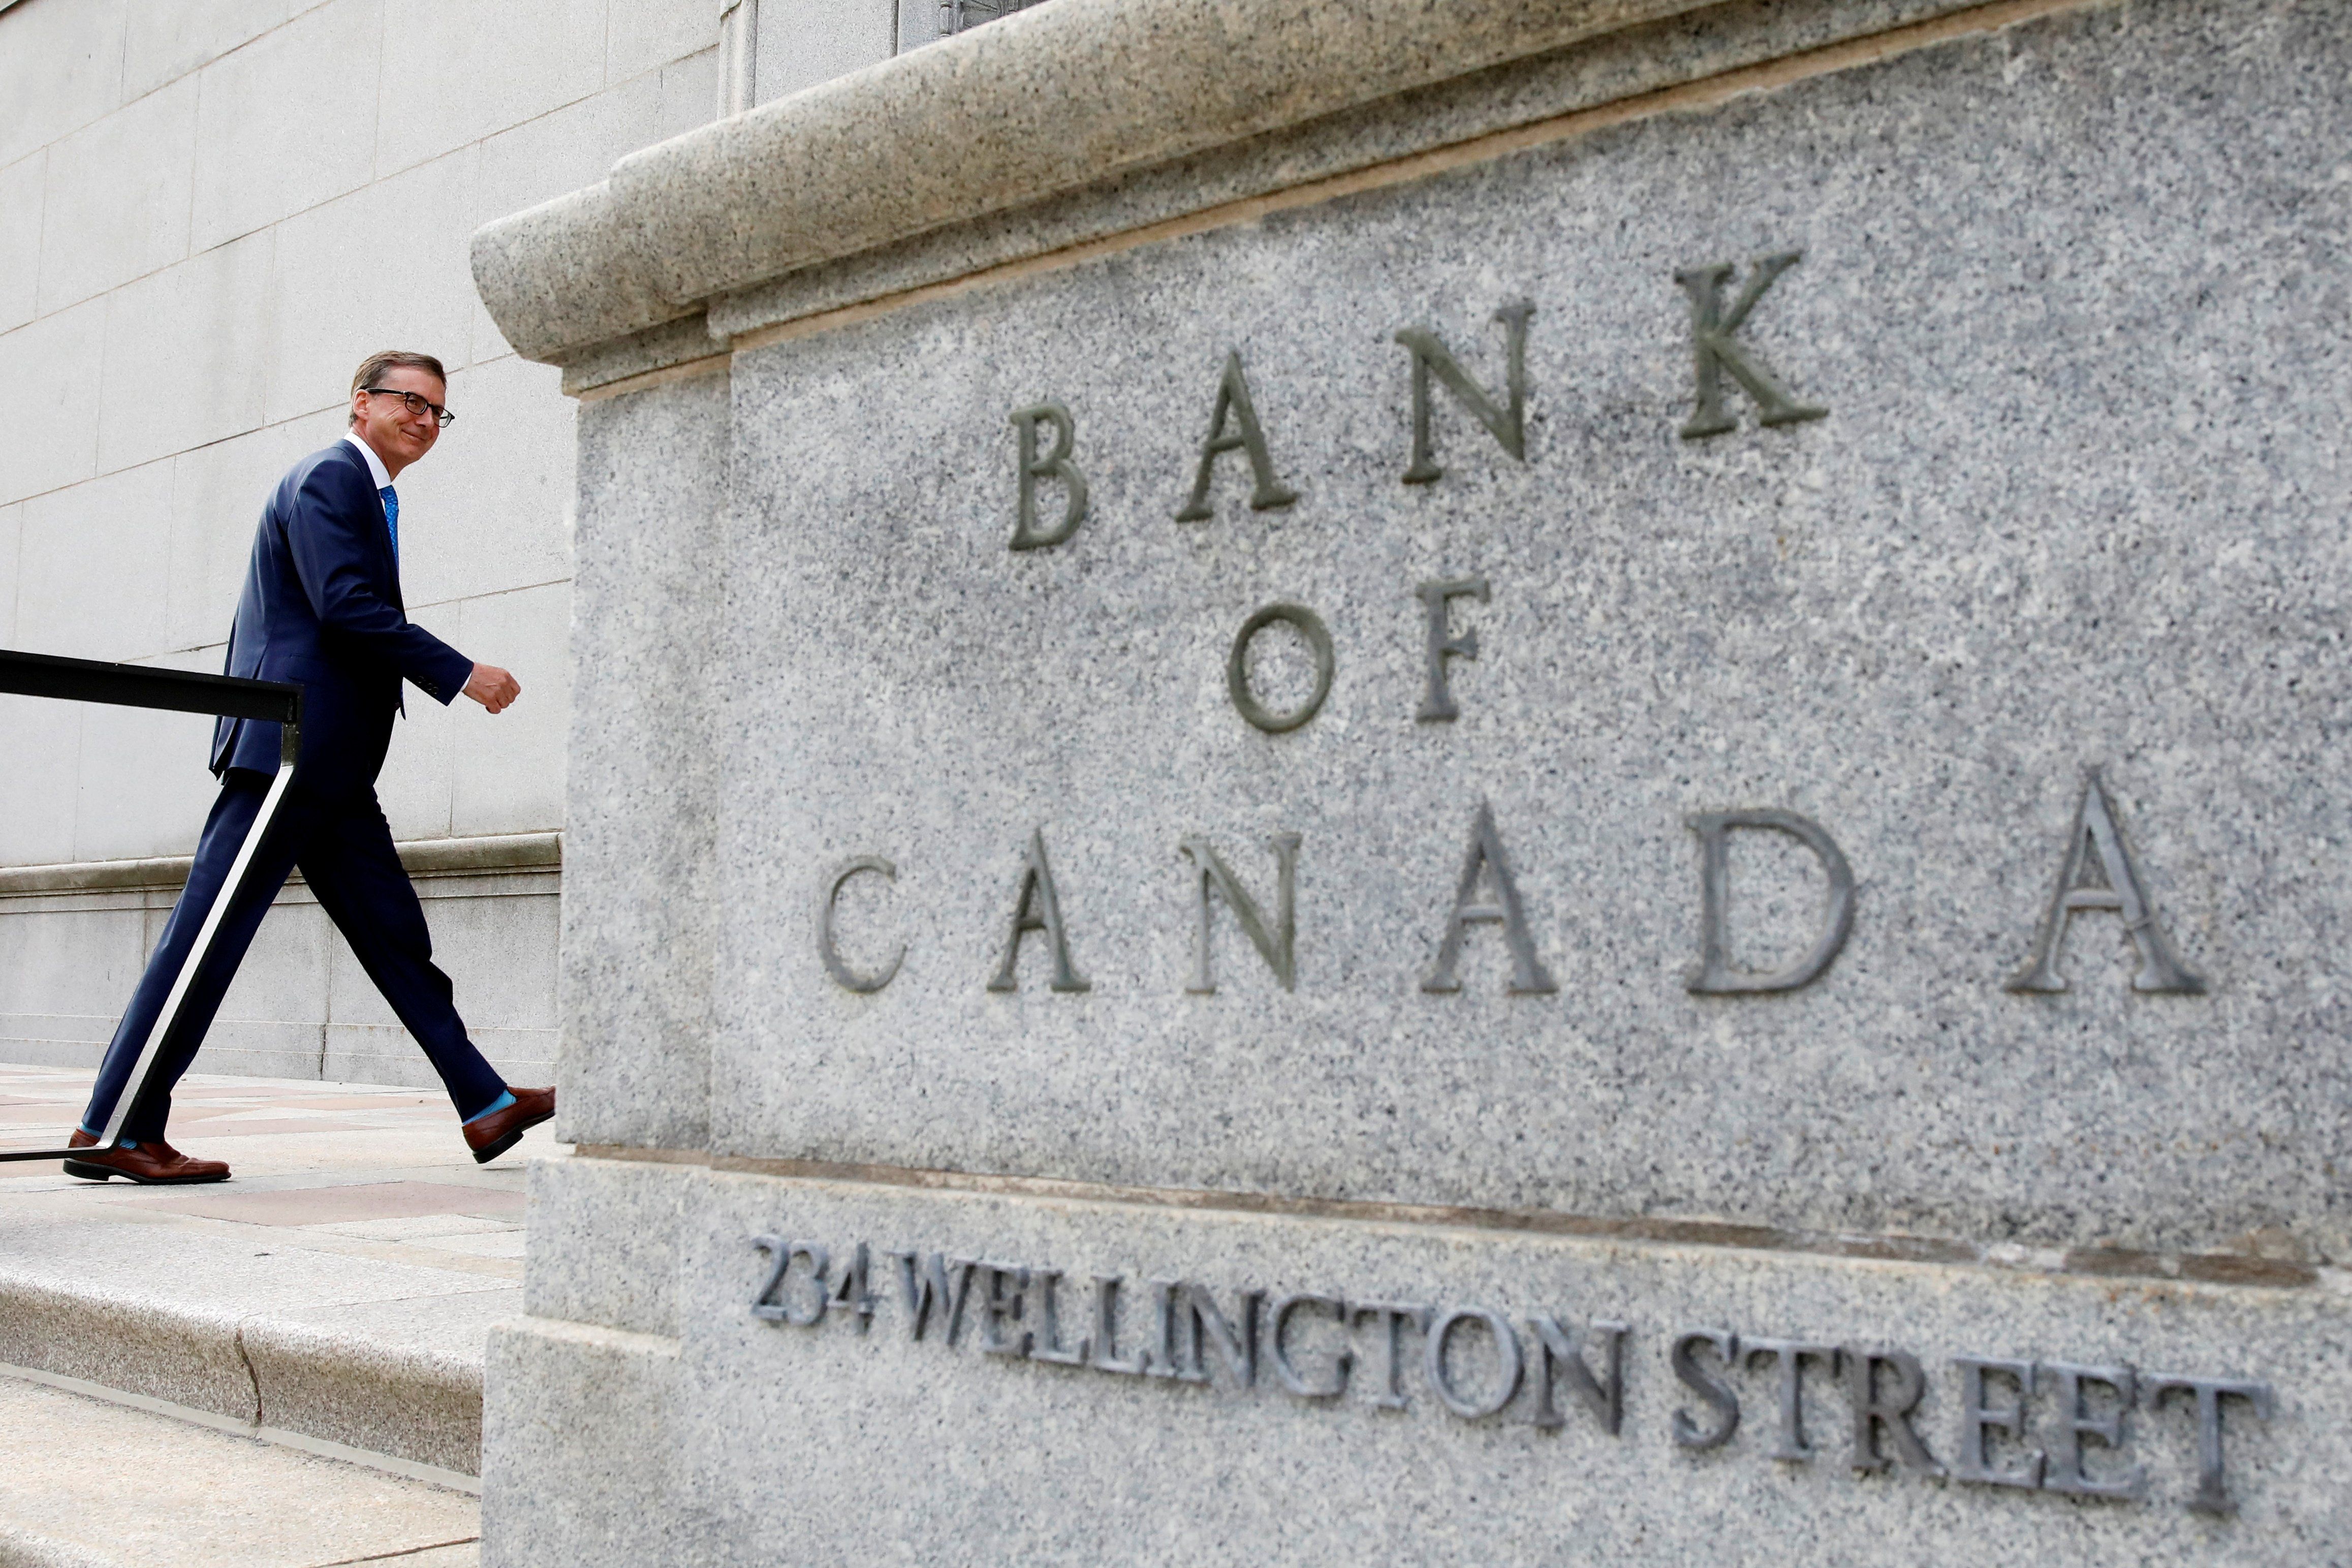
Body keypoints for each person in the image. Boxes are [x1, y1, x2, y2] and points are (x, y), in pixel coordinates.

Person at [65, 351, 554, 1184]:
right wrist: (460, 672)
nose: (424, 420)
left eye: (438, 411)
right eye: (409, 401)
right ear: (361, 403)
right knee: (204, 940)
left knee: (396, 938)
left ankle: (483, 1101)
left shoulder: (366, 490)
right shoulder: (332, 476)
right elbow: (345, 606)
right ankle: (114, 1127)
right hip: (288, 755)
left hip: (333, 766)